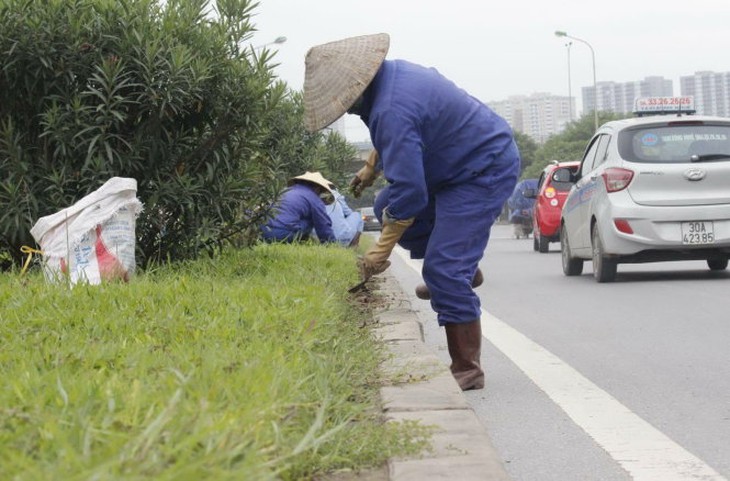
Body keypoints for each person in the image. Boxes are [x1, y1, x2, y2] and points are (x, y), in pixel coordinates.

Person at [302, 33, 520, 391]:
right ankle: (460, 271)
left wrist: (379, 252)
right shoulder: (391, 78)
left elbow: (412, 193)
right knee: (382, 205)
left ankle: (467, 367)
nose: (348, 111)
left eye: (345, 105)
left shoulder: (391, 109)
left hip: (482, 169)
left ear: (358, 86)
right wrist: (371, 167)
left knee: (443, 268)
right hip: (449, 167)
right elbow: (401, 135)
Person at [260, 172, 337, 244]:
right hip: (280, 234)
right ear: (317, 189)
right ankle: (300, 242)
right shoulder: (314, 199)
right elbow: (324, 226)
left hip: (262, 231)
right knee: (312, 219)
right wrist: (332, 243)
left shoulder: (285, 190)